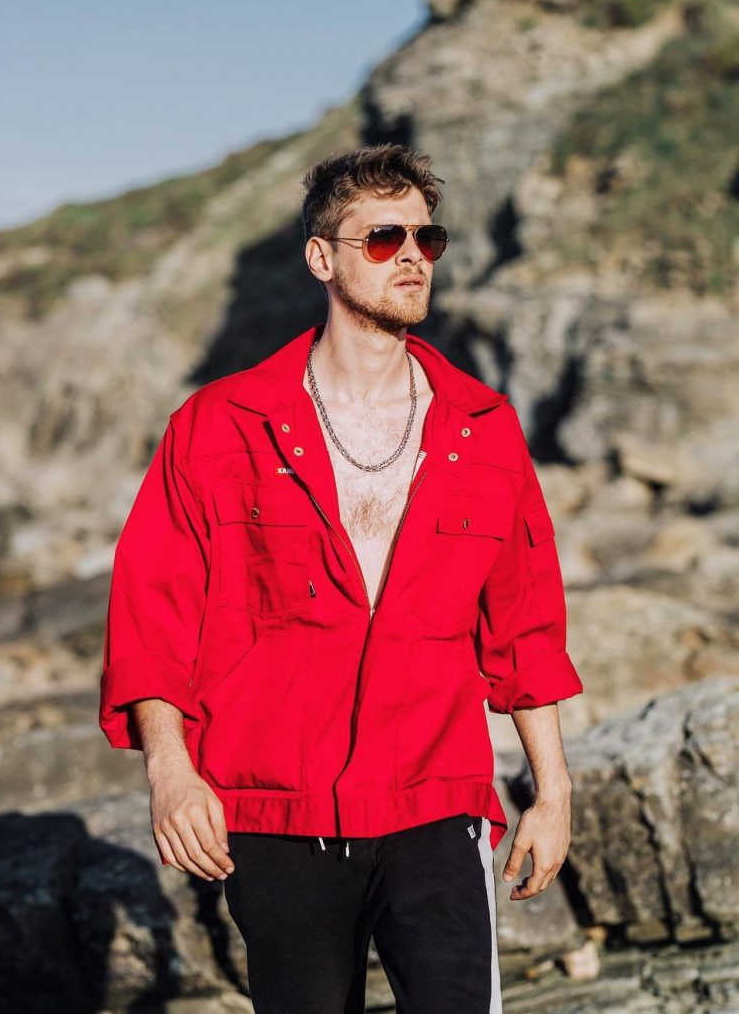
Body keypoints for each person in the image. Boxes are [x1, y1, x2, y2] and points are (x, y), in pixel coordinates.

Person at [99, 143, 584, 1013]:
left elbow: (524, 627)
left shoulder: (483, 428)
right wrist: (170, 771)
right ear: (322, 258)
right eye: (384, 238)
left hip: (437, 805)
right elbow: (152, 615)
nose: (412, 257)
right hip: (276, 813)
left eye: (427, 239)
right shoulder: (218, 426)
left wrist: (553, 793)